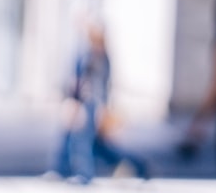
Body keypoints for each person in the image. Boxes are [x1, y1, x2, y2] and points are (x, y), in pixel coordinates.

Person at [49, 21, 150, 183]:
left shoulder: (98, 57)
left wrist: (91, 107)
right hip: (85, 104)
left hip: (90, 105)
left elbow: (94, 86)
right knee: (88, 143)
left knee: (83, 141)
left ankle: (84, 174)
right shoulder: (89, 53)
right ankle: (62, 170)